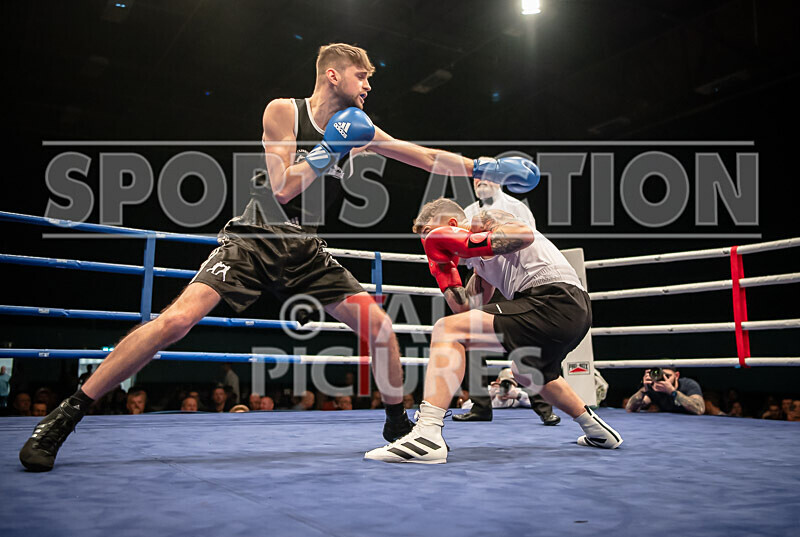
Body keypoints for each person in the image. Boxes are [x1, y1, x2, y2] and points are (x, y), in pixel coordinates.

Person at [19, 42, 539, 472]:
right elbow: (282, 187)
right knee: (175, 322)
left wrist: (482, 166)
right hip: (256, 236)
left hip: (306, 248)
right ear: (333, 74)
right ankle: (64, 416)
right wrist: (331, 148)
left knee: (381, 329)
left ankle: (395, 423)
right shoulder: (284, 110)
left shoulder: (361, 125)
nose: (368, 86)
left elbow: (423, 156)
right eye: (362, 76)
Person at [364, 199, 622, 464]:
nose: (428, 242)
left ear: (451, 224)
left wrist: (468, 243)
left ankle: (427, 435)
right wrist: (444, 271)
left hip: (554, 299)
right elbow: (465, 309)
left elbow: (523, 234)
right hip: (567, 311)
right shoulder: (480, 265)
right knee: (527, 372)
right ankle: (597, 430)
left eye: (430, 233)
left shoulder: (484, 220)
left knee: (446, 330)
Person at [455, 178, 559, 426]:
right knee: (471, 334)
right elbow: (461, 252)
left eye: (487, 176)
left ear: (499, 180)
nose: (480, 181)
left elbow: (531, 239)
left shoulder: (516, 207)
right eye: (477, 176)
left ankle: (543, 406)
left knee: (527, 338)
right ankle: (480, 405)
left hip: (514, 276)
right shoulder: (469, 211)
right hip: (482, 275)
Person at [625, 368, 704, 415]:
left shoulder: (688, 384)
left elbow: (699, 409)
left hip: (688, 425)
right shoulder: (655, 388)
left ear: (676, 375)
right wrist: (644, 389)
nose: (664, 380)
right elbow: (630, 408)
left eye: (667, 376)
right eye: (661, 377)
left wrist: (672, 392)